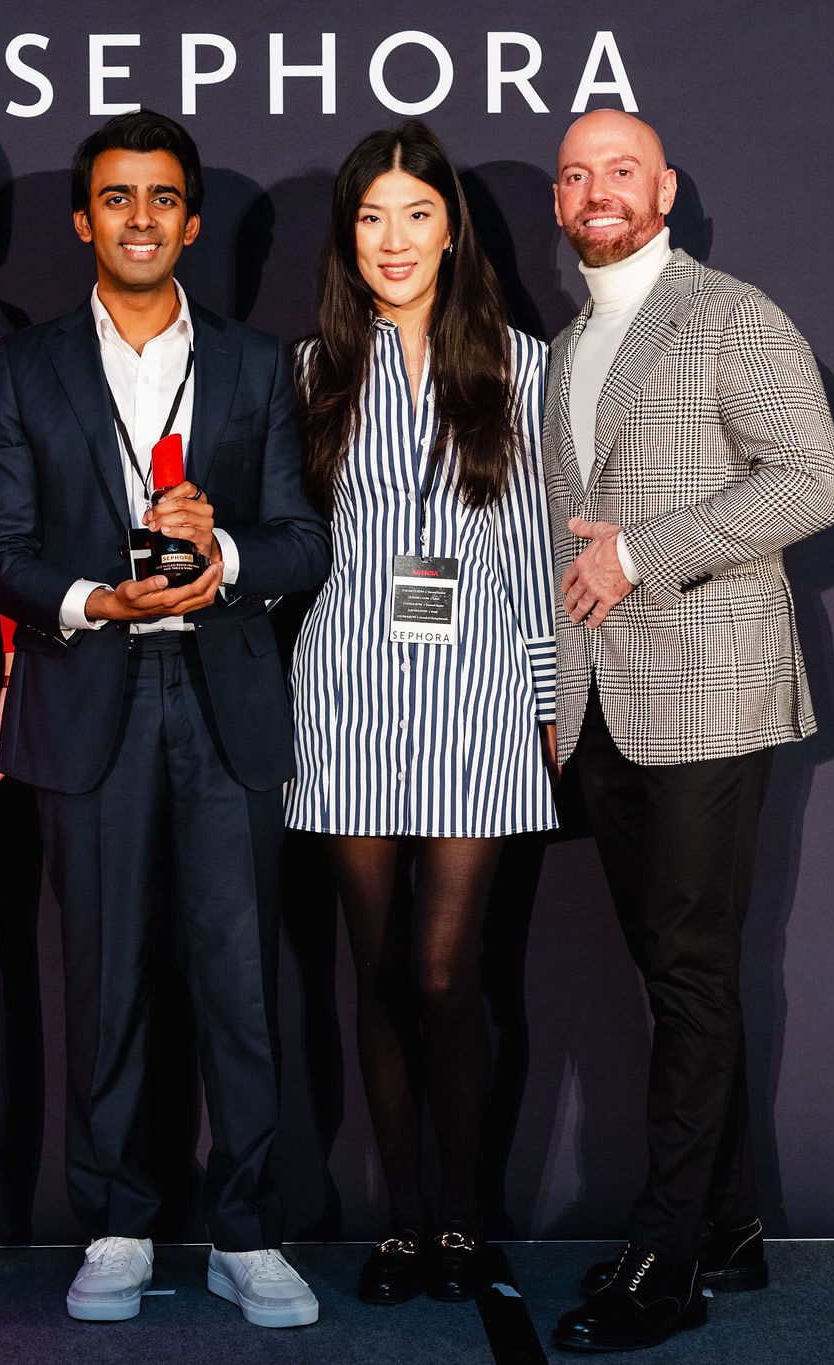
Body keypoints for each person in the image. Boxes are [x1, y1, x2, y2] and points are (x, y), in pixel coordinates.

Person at [0, 110, 331, 1331]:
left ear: (190, 220)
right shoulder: (21, 368)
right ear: (82, 220)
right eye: (115, 197)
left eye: (161, 198)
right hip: (89, 696)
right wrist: (94, 599)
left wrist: (224, 557)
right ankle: (114, 1226)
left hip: (224, 700)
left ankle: (248, 1233)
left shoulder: (252, 364)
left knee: (239, 985)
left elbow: (302, 540)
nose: (138, 218)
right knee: (104, 980)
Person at [540, 110, 834, 1352]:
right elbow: (561, 540)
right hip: (601, 704)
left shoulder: (730, 315)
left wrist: (640, 554)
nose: (596, 192)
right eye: (575, 176)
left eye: (619, 171)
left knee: (690, 975)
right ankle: (725, 1227)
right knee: (673, 973)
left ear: (663, 189)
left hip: (711, 692)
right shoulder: (565, 346)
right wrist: (555, 692)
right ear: (558, 202)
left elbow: (811, 483)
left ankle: (664, 1261)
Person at [286, 121, 557, 1306]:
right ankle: (402, 1225)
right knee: (379, 970)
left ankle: (461, 1219)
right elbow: (291, 546)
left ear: (452, 230)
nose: (392, 240)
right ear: (345, 238)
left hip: (478, 698)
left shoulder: (521, 367)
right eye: (369, 218)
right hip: (343, 700)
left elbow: (538, 550)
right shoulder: (308, 372)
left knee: (446, 973)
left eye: (414, 214)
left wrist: (548, 703)